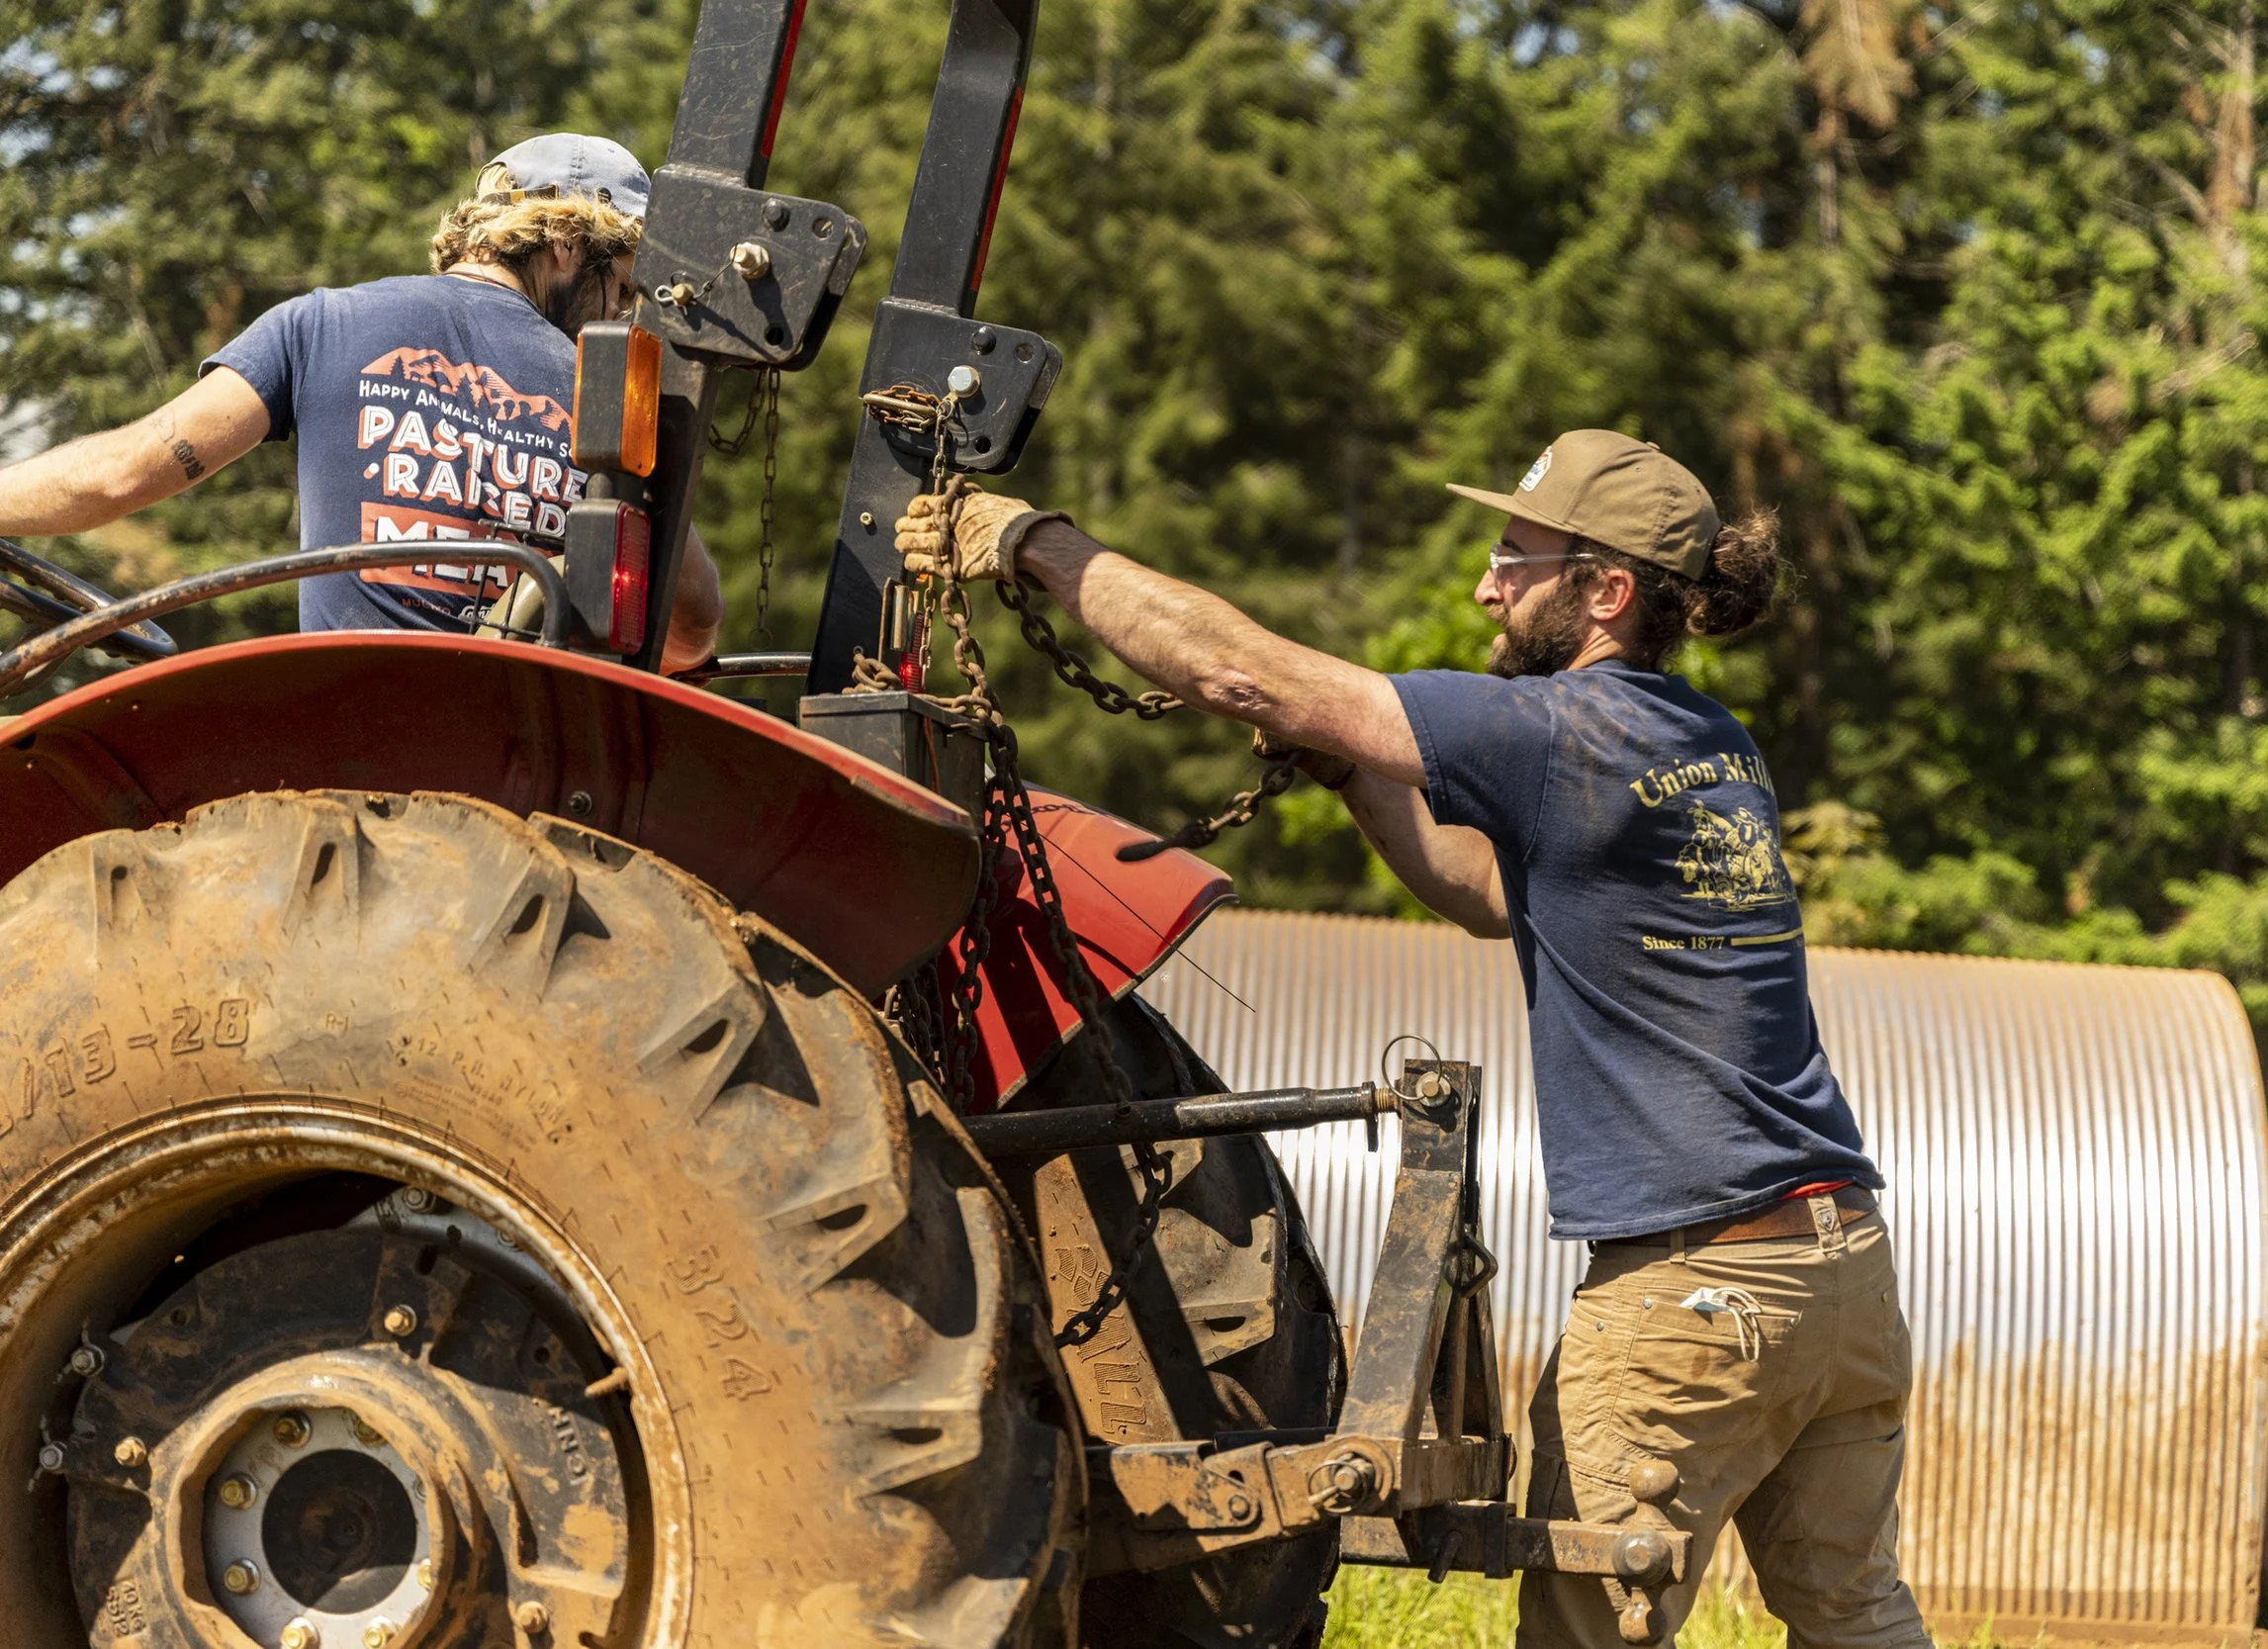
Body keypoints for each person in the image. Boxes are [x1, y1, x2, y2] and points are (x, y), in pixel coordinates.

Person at [898, 431, 1928, 1649]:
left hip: (1689, 1301)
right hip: (1839, 1272)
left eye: (1515, 555)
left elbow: (1243, 672)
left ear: (1605, 593)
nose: (1488, 583)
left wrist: (1034, 545)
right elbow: (1498, 893)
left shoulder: (1557, 731)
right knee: (1853, 1612)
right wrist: (1360, 778)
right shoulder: (1707, 747)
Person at [0, 134, 720, 672]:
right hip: (530, 754)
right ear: (565, 244)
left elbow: (121, 474)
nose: (618, 316)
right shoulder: (620, 398)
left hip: (347, 733)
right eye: (619, 288)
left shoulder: (323, 322)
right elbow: (691, 628)